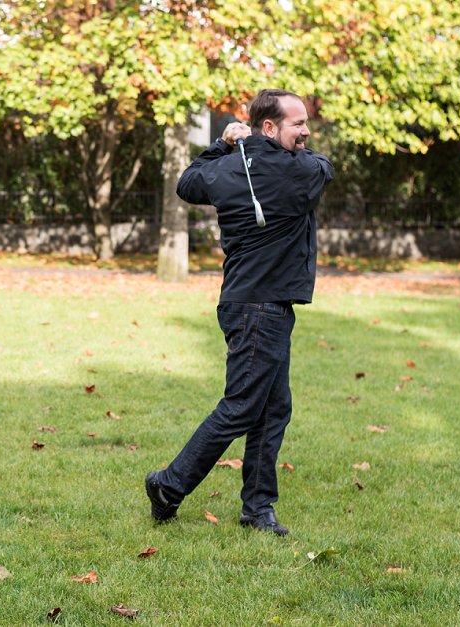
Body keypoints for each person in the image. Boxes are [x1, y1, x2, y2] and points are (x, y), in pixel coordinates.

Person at [145, 89, 334, 535]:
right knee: (242, 407)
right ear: (269, 127)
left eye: (307, 123)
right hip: (259, 310)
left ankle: (257, 509)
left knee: (273, 408)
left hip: (250, 304)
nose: (306, 132)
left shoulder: (229, 166)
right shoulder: (298, 172)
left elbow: (189, 182)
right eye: (297, 124)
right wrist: (249, 147)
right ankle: (169, 485)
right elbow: (325, 167)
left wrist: (225, 144)